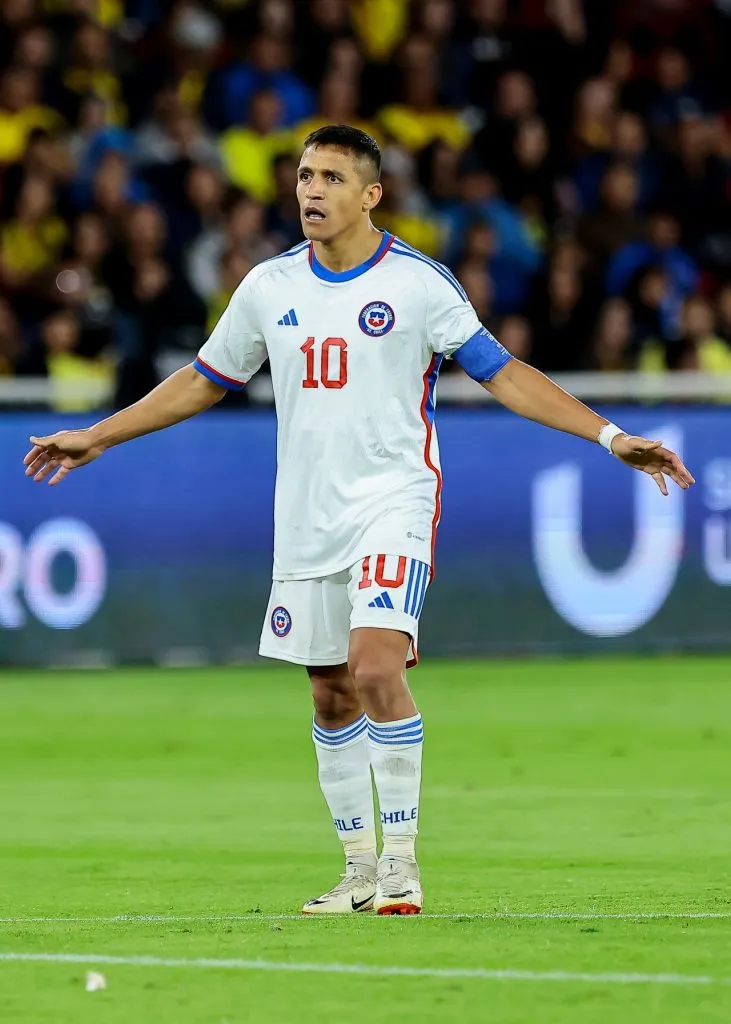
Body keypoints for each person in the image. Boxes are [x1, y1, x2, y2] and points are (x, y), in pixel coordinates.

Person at [23, 124, 695, 916]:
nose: (311, 190)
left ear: (370, 194)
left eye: (332, 178)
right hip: (306, 516)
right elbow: (206, 379)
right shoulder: (269, 287)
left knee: (375, 668)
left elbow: (503, 372)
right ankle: (358, 869)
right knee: (330, 695)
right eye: (305, 176)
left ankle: (403, 864)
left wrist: (610, 436)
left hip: (393, 501)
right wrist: (96, 435)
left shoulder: (418, 284)